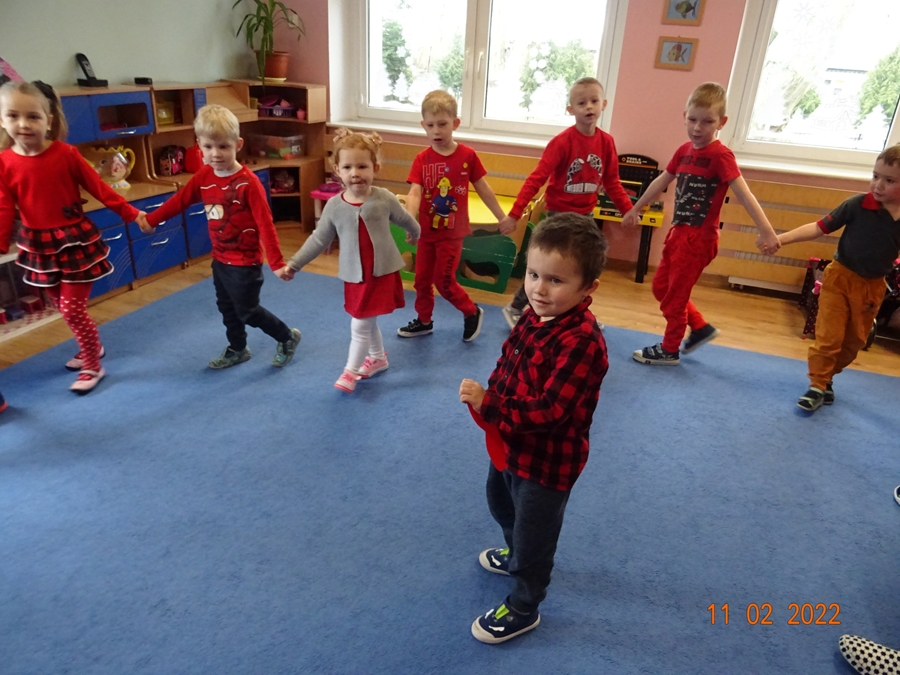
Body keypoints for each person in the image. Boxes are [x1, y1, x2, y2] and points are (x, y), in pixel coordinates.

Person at [459, 213, 608, 643]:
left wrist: (491, 404)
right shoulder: (534, 313)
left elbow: (551, 410)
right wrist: (492, 395)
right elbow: (509, 359)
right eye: (533, 275)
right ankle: (514, 551)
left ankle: (525, 604)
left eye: (556, 280)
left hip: (547, 463)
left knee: (534, 535)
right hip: (509, 442)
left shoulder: (581, 341)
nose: (539, 289)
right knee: (502, 504)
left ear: (588, 288)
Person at [0, 81, 147, 393]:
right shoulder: (4, 162)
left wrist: (132, 214)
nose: (23, 124)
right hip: (39, 246)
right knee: (62, 305)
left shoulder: (66, 154)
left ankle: (93, 364)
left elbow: (100, 188)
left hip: (74, 243)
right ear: (2, 120)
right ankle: (91, 345)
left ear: (48, 120)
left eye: (33, 116)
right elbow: (3, 206)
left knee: (71, 309)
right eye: (13, 116)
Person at [622, 82, 780, 366]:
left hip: (699, 239)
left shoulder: (721, 156)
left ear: (722, 122)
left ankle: (670, 349)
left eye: (707, 122)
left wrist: (766, 230)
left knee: (675, 296)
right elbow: (662, 180)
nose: (698, 128)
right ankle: (700, 327)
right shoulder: (684, 151)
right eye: (693, 119)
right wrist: (636, 207)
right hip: (678, 234)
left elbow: (744, 194)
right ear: (684, 116)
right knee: (661, 287)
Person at [138, 104, 301, 370]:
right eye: (208, 147)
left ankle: (286, 336)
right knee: (227, 308)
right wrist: (152, 219)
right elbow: (181, 200)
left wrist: (276, 263)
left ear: (238, 144)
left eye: (223, 146)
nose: (215, 154)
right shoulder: (204, 175)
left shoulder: (248, 183)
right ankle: (238, 348)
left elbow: (266, 224)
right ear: (199, 146)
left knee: (248, 311)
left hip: (245, 262)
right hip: (221, 258)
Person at [279, 129, 420, 393]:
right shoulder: (335, 206)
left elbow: (405, 219)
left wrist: (415, 233)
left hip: (380, 274)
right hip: (355, 275)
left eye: (362, 166)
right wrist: (295, 264)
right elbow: (318, 239)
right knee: (366, 318)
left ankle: (350, 372)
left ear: (375, 167)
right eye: (347, 167)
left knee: (360, 323)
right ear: (337, 171)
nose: (355, 173)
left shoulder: (384, 198)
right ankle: (377, 358)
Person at [496, 77, 632, 330]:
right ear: (571, 109)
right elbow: (536, 179)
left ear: (603, 104)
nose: (588, 106)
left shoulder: (606, 142)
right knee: (551, 270)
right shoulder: (562, 142)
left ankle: (579, 317)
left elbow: (612, 181)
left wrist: (627, 209)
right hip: (558, 217)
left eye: (594, 101)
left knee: (583, 271)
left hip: (585, 217)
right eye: (581, 103)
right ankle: (515, 306)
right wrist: (514, 215)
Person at [775, 144, 900, 412]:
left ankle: (827, 378)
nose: (878, 185)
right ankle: (817, 385)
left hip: (872, 289)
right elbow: (818, 227)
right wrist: (781, 239)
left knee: (854, 343)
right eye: (875, 176)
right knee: (829, 338)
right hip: (839, 278)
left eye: (889, 180)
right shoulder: (857, 205)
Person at [396, 90, 505, 342]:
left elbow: (484, 188)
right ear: (423, 125)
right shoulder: (422, 159)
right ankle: (424, 321)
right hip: (426, 232)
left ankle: (471, 311)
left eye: (443, 124)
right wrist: (410, 224)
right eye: (431, 125)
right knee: (422, 280)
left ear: (455, 123)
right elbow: (414, 193)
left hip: (452, 234)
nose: (436, 131)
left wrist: (502, 217)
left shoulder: (467, 156)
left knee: (443, 281)